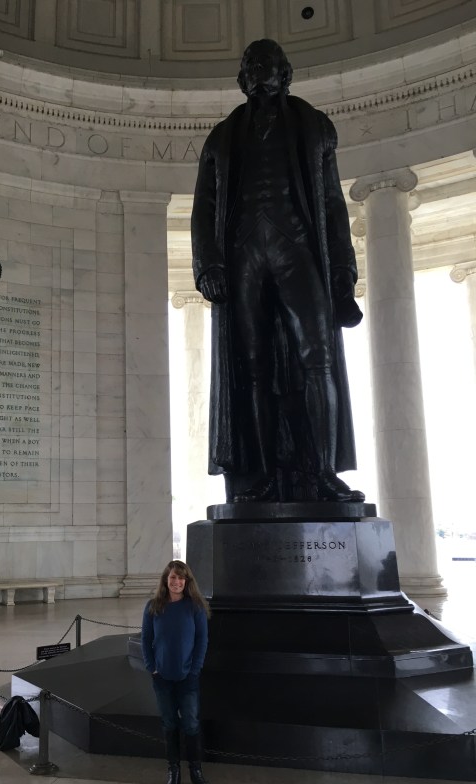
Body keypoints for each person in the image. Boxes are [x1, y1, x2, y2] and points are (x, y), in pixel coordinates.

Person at [191, 38, 365, 504]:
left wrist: (344, 275)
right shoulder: (220, 138)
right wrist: (208, 262)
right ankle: (264, 475)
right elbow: (204, 206)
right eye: (251, 63)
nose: (259, 68)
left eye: (268, 62)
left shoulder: (316, 127)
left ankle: (323, 472)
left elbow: (332, 203)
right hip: (245, 253)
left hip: (297, 248)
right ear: (242, 76)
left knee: (318, 357)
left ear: (285, 73)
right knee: (253, 369)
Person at [141, 560, 211, 784]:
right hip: (162, 676)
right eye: (173, 577)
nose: (177, 582)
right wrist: (152, 667)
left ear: (187, 581)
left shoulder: (196, 607)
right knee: (169, 723)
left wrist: (195, 669)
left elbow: (202, 641)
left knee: (190, 723)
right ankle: (173, 771)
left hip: (188, 676)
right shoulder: (153, 607)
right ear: (166, 580)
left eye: (181, 578)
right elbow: (146, 641)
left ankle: (196, 770)